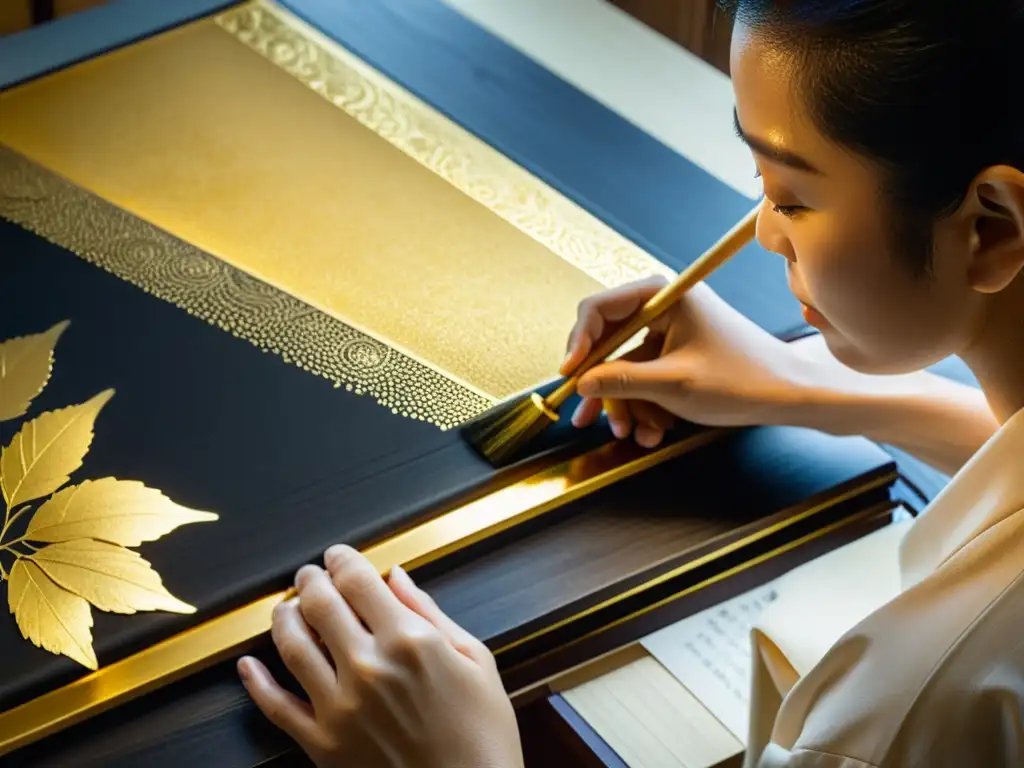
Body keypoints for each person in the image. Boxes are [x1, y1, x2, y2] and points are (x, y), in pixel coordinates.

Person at [234, 0, 1024, 765]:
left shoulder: (910, 711)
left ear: (991, 229)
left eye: (791, 195)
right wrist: (805, 386)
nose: (763, 231)